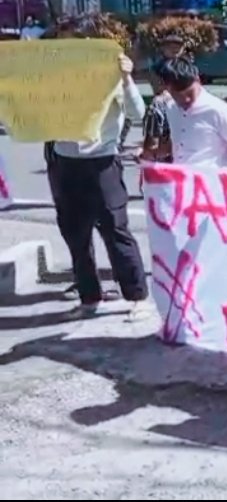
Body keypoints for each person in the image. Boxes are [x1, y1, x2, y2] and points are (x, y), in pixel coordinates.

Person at [51, 53, 149, 320]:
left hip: (102, 161)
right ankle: (89, 297)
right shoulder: (56, 81)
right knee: (75, 233)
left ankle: (137, 296)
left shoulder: (112, 78)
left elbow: (138, 112)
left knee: (115, 228)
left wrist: (126, 78)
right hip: (66, 162)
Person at [156, 57, 227, 168]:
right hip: (181, 176)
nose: (186, 99)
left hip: (211, 177)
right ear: (168, 89)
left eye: (190, 93)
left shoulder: (218, 110)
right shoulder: (170, 108)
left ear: (198, 80)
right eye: (179, 96)